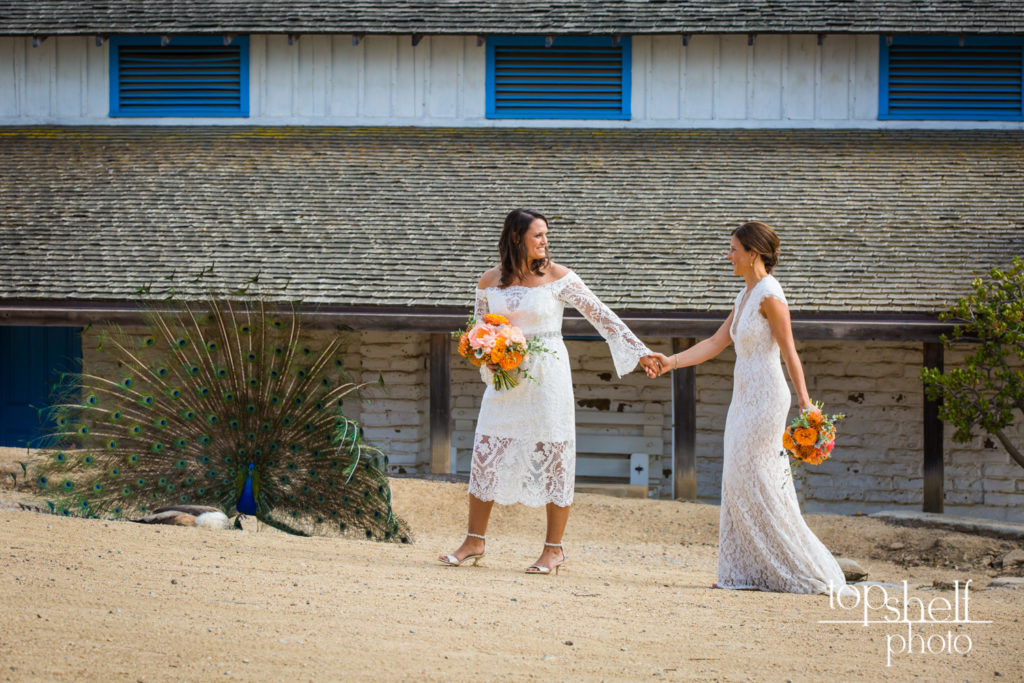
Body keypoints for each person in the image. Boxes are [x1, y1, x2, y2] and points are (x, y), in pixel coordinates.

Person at [439, 208, 662, 574]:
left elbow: (602, 315)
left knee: (555, 455)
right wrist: (485, 358)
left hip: (548, 376)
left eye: (546, 235)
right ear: (516, 238)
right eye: (538, 235)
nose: (545, 241)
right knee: (486, 452)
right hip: (504, 380)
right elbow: (477, 331)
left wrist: (640, 352)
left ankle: (553, 550)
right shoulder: (489, 281)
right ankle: (474, 541)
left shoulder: (559, 277)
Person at [650, 221, 846, 594]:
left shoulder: (770, 294)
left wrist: (806, 404)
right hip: (743, 396)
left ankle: (794, 568)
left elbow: (790, 352)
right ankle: (746, 571)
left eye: (734, 249)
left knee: (760, 478)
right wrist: (670, 361)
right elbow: (714, 343)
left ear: (753, 253)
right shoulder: (745, 296)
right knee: (738, 479)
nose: (729, 256)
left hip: (767, 397)